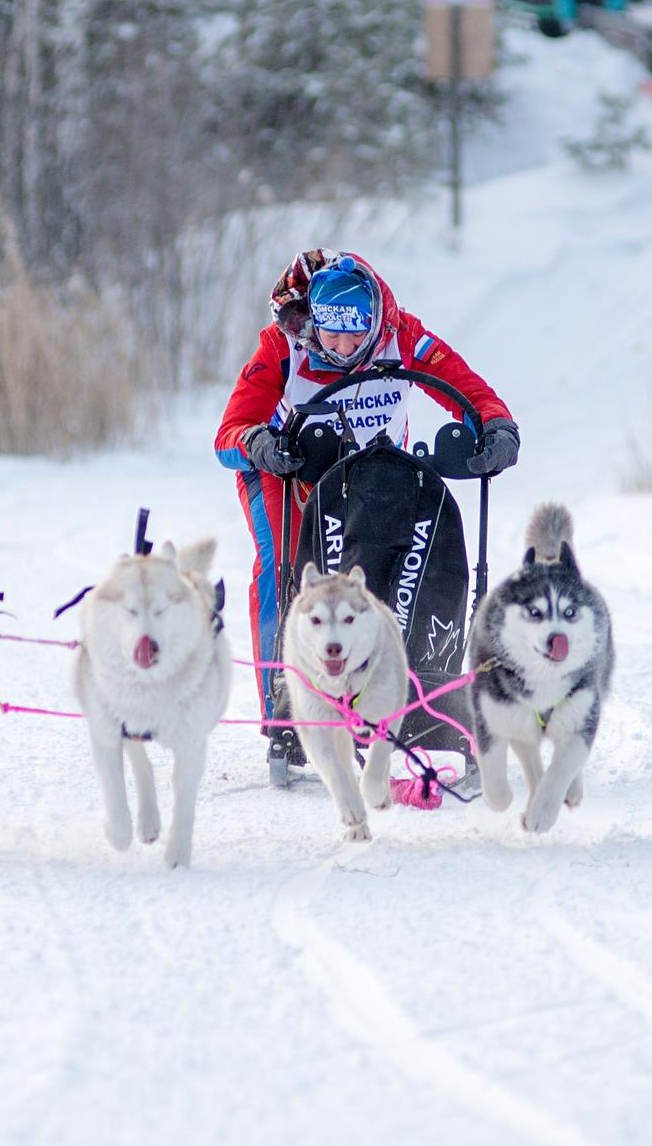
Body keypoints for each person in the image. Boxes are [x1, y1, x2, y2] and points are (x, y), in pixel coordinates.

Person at [214, 249, 518, 769]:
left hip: (368, 469)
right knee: (285, 568)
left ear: (376, 321)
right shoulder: (281, 347)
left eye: (356, 333)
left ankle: (391, 693)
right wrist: (259, 443)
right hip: (285, 471)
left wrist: (496, 427)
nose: (343, 346)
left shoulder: (404, 336)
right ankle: (284, 711)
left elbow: (470, 392)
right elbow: (227, 435)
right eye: (331, 333)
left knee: (379, 570)